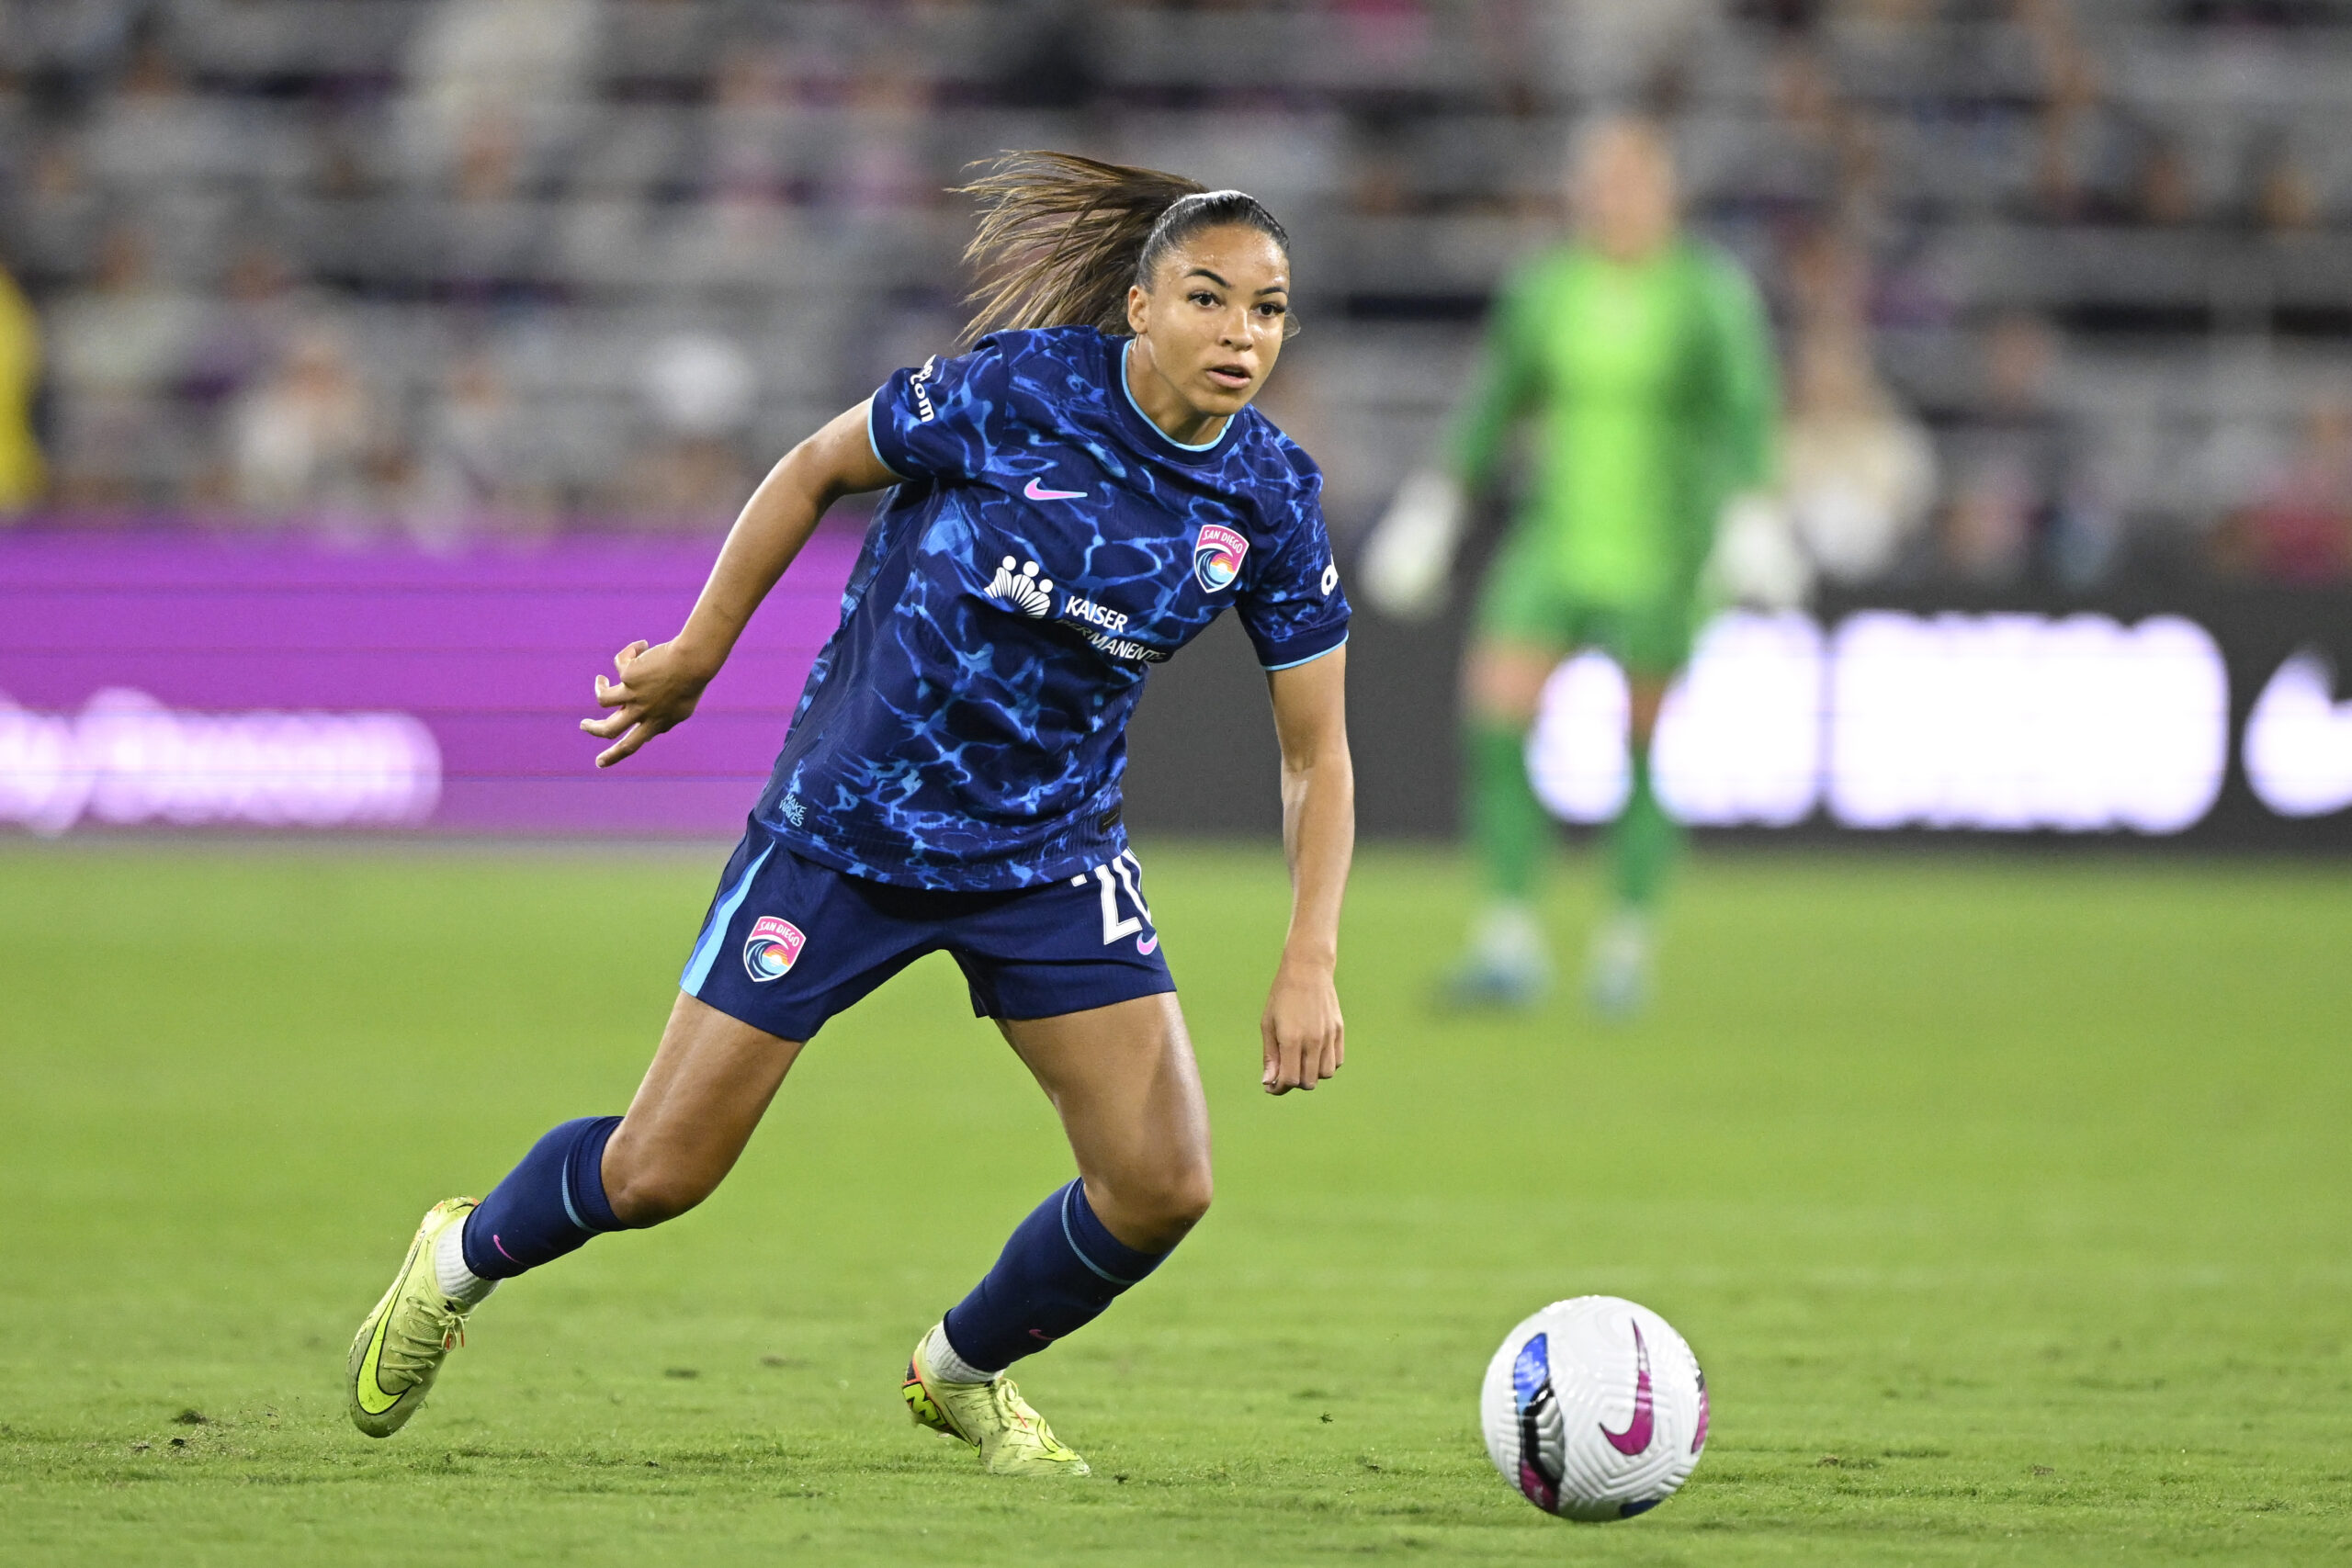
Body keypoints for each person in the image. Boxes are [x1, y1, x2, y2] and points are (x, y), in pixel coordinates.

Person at [345, 153, 1355, 1478]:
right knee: (659, 1172)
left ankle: (961, 1370)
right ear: (1140, 304)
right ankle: (460, 1254)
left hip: (1047, 857)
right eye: (1211, 300)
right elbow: (817, 465)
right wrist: (700, 655)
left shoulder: (1269, 495)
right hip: (847, 829)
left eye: (1269, 309)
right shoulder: (1016, 390)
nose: (1242, 336)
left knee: (1164, 1182)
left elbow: (1316, 752)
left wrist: (1310, 949)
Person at [1363, 116, 1777, 1017]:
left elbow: (1740, 408)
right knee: (1495, 715)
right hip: (1555, 535)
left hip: (1662, 545)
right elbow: (1496, 401)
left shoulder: (1704, 293)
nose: (1612, 197)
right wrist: (1439, 501)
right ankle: (1510, 936)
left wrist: (1749, 508)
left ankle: (1626, 942)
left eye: (1629, 179)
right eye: (1600, 181)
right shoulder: (1548, 289)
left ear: (1663, 190)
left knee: (1642, 744)